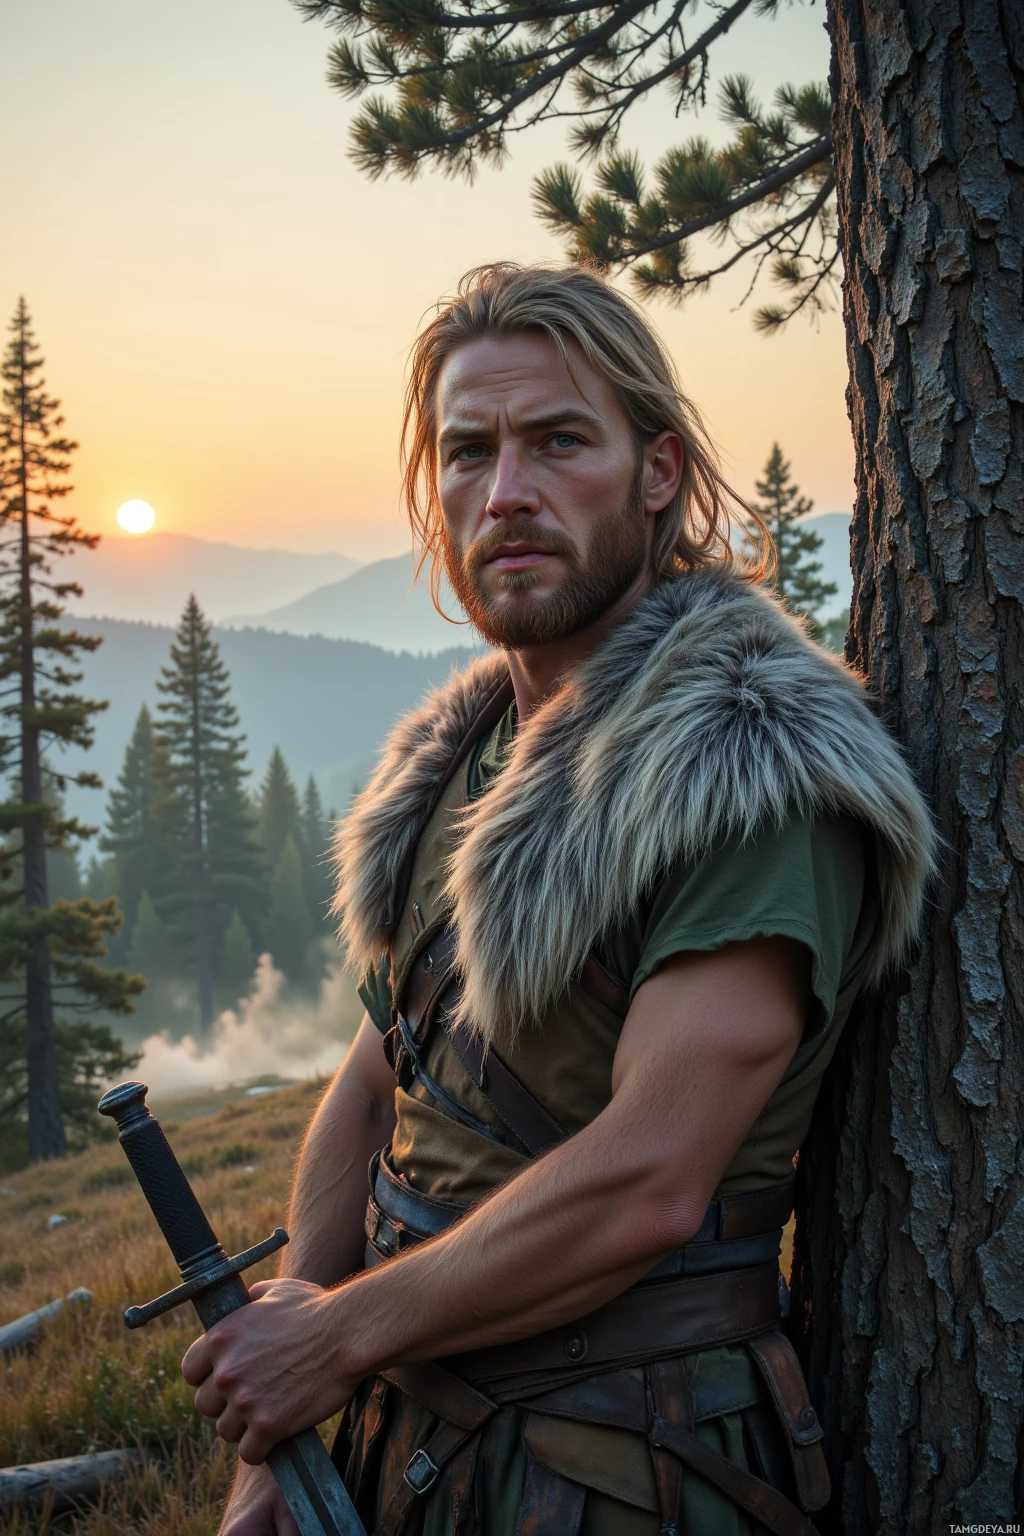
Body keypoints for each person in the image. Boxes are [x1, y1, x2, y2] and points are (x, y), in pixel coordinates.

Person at [185, 263, 935, 1536]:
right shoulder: (469, 757)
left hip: (626, 1463)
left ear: (657, 471)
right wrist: (283, 1430)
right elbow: (376, 1085)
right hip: (402, 1441)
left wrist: (343, 1335)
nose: (506, 493)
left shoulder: (747, 767)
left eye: (556, 442)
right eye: (467, 453)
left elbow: (651, 1176)